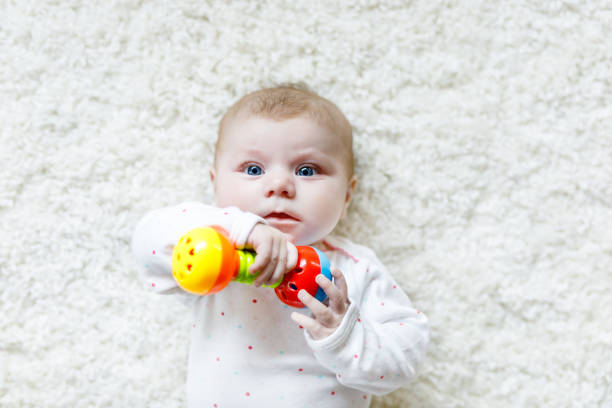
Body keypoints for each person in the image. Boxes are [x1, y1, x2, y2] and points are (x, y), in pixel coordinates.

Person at [131, 84, 429, 407]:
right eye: (254, 169)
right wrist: (242, 227)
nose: (280, 186)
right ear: (215, 185)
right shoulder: (215, 247)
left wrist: (344, 335)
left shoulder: (355, 269)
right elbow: (146, 245)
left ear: (346, 196)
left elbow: (407, 359)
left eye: (307, 170)